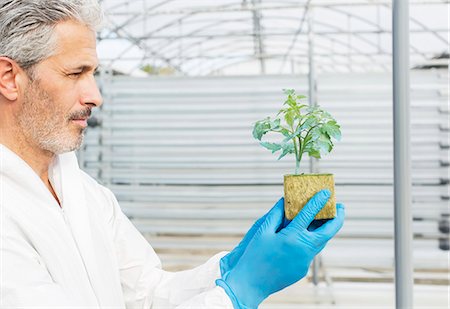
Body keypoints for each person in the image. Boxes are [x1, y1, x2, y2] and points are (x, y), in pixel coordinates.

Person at [0, 1, 345, 308]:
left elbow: (148, 294)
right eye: (75, 73)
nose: (95, 96)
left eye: (93, 73)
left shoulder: (84, 192)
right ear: (10, 77)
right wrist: (239, 293)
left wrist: (231, 268)